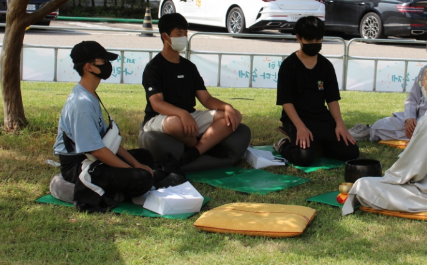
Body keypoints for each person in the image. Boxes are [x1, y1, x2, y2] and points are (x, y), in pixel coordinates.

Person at [342, 61, 427, 215]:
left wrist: (389, 177)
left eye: (422, 82)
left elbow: (416, 166)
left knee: (362, 185)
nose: (421, 86)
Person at [54, 41, 154, 212]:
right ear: (88, 67)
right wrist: (132, 170)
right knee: (142, 178)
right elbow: (96, 150)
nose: (108, 65)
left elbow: (108, 141)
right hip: (78, 164)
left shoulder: (89, 94)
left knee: (144, 157)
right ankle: (100, 191)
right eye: (103, 61)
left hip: (94, 156)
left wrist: (136, 163)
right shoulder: (82, 104)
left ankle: (116, 188)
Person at [142, 13, 247, 168]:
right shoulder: (154, 67)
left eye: (185, 34)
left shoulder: (188, 67)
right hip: (162, 118)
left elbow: (206, 99)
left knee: (232, 116)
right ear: (165, 36)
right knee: (175, 123)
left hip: (190, 115)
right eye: (179, 34)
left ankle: (196, 151)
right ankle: (202, 145)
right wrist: (181, 113)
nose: (184, 38)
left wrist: (227, 107)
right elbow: (156, 103)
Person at [349, 29, 427, 142]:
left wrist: (425, 123)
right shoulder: (426, 69)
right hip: (417, 119)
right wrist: (409, 118)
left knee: (421, 134)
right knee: (382, 124)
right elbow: (412, 98)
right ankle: (374, 130)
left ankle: (372, 132)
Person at [273, 16, 359, 166]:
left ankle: (318, 145)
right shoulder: (289, 66)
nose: (314, 44)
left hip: (321, 118)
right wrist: (300, 127)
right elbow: (286, 101)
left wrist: (340, 124)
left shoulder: (326, 66)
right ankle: (283, 145)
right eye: (309, 40)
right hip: (296, 119)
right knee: (304, 157)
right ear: (298, 38)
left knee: (351, 152)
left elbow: (332, 99)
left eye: (318, 40)